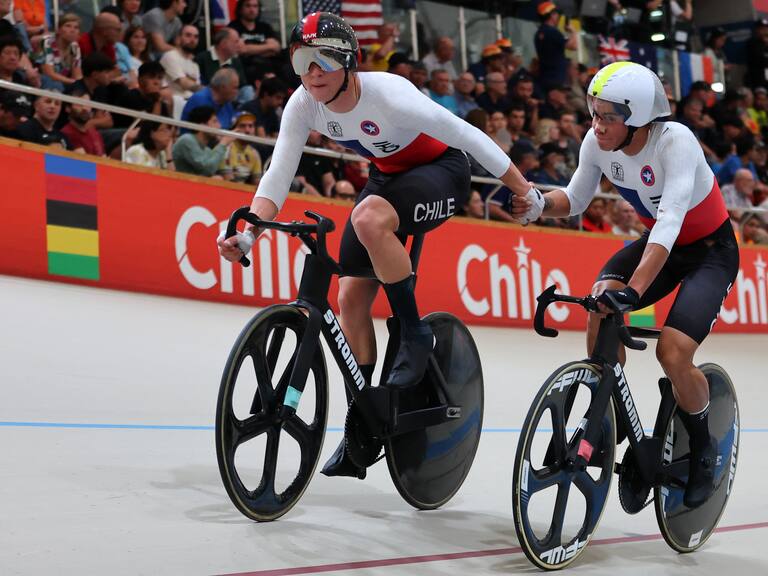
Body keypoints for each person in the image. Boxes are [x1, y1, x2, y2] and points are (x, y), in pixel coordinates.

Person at [217, 12, 532, 479]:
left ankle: (415, 331)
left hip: (444, 172)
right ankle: (363, 420)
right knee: (348, 298)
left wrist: (525, 191)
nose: (312, 72)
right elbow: (278, 174)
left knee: (366, 218)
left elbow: (469, 136)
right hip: (388, 177)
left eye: (322, 60)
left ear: (348, 61)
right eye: (301, 61)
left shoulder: (390, 95)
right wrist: (249, 232)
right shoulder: (304, 104)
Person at [511, 62, 739, 509]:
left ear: (636, 119)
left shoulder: (675, 142)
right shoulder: (597, 144)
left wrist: (633, 291)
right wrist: (539, 203)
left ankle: (704, 448)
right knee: (600, 303)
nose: (597, 125)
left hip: (709, 253)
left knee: (672, 352)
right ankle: (604, 419)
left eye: (608, 117)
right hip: (661, 243)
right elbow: (574, 200)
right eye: (594, 113)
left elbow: (670, 221)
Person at [173, 105, 235, 176]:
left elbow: (212, 170)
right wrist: (223, 143)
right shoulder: (187, 140)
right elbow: (208, 169)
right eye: (214, 121)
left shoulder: (207, 150)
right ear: (202, 126)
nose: (219, 126)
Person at [535, 1, 577, 92]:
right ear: (552, 15)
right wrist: (573, 32)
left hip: (545, 76)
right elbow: (573, 46)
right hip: (555, 78)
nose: (557, 16)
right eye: (556, 13)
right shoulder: (552, 32)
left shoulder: (539, 32)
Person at [181, 67, 238, 132]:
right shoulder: (199, 100)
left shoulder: (227, 103)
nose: (237, 92)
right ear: (223, 87)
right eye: (235, 88)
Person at [39, 13, 82, 91]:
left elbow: (77, 75)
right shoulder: (48, 42)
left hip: (64, 82)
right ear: (58, 30)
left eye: (76, 27)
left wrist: (80, 86)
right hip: (43, 80)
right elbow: (49, 73)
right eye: (68, 26)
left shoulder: (75, 47)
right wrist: (73, 82)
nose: (72, 30)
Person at [160, 24, 202, 102]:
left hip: (190, 102)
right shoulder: (170, 56)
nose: (192, 40)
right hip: (173, 101)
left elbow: (196, 89)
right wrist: (209, 92)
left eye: (196, 37)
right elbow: (184, 83)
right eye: (188, 35)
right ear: (178, 38)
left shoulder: (194, 65)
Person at [218, 111, 262, 184]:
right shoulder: (226, 148)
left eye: (251, 126)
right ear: (234, 129)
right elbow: (228, 178)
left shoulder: (254, 153)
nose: (247, 130)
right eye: (242, 126)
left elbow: (257, 182)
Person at [60, 91, 105, 156]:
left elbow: (104, 158)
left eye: (87, 104)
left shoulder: (95, 133)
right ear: (68, 108)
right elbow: (84, 161)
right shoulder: (66, 134)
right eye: (79, 104)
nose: (85, 108)